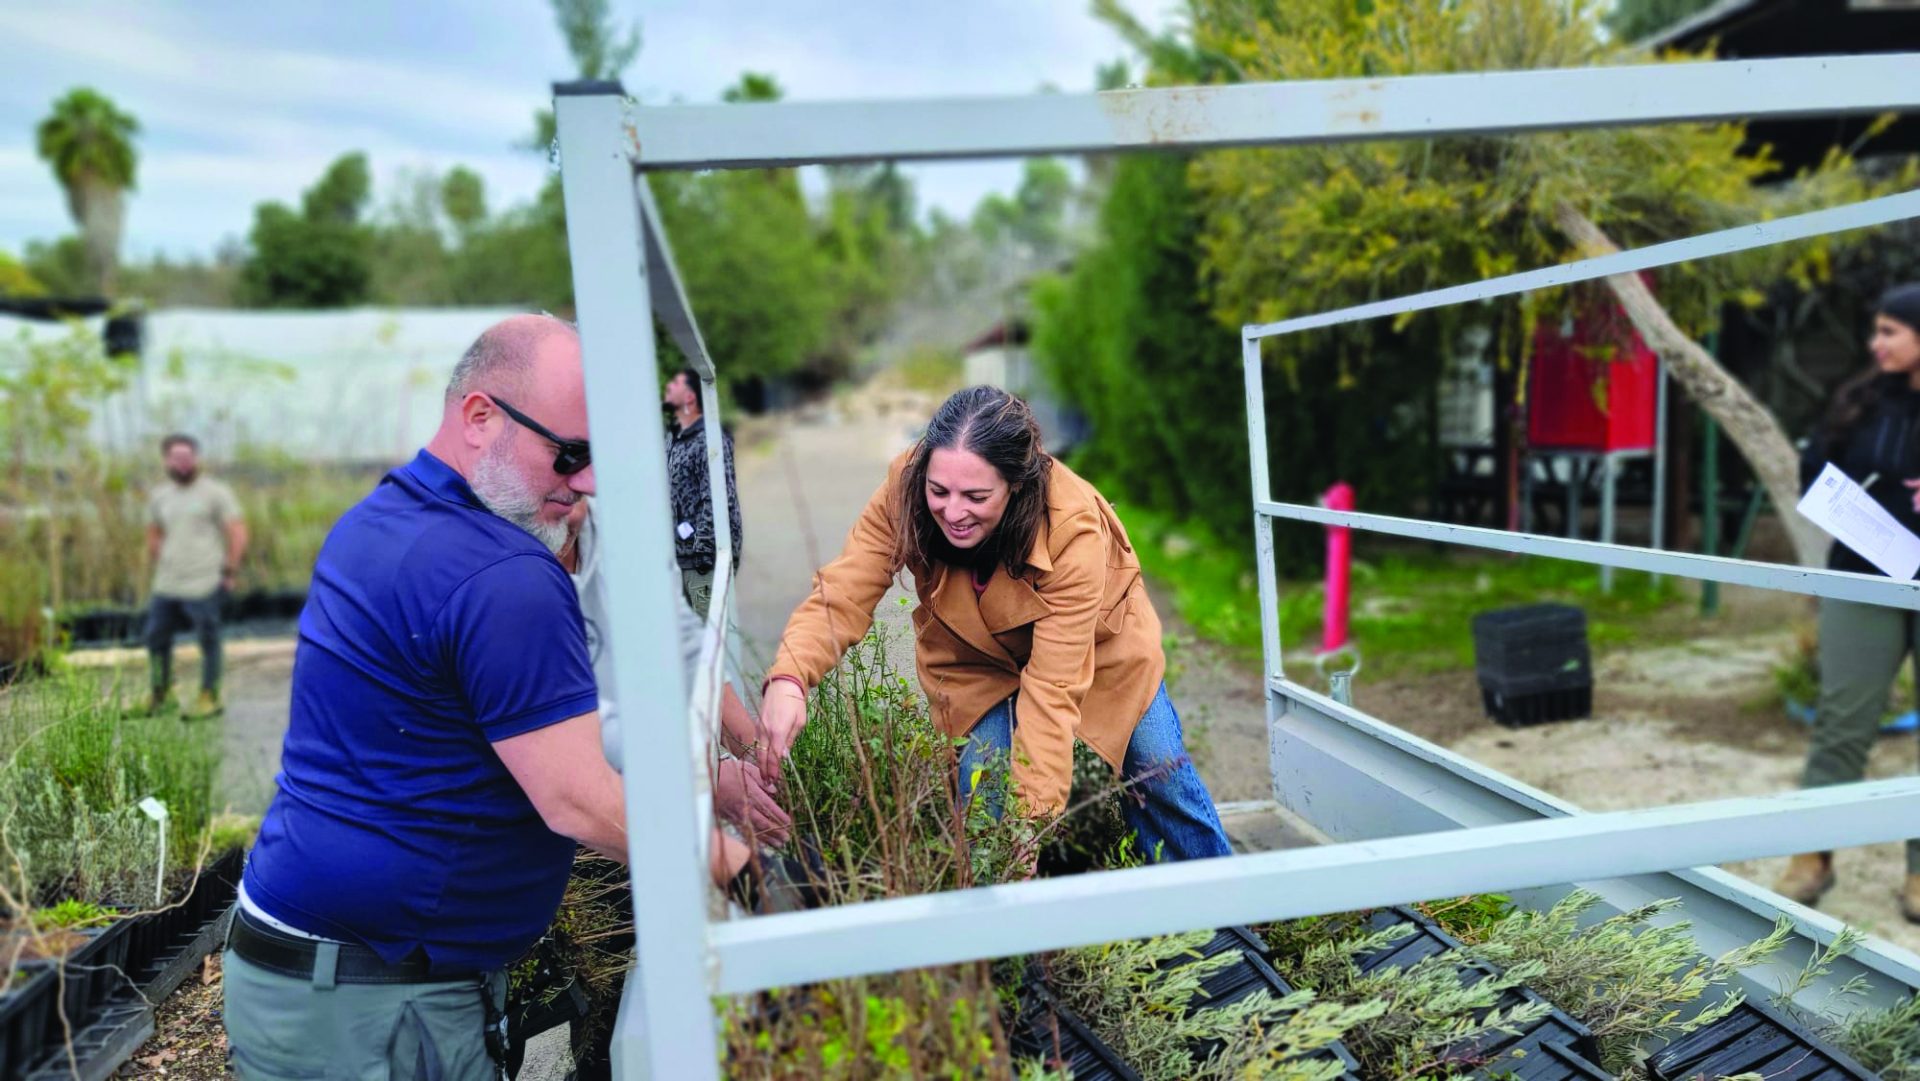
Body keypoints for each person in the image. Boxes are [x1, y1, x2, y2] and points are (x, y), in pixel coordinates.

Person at [224, 315, 630, 1080]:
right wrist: (728, 857)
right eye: (570, 453)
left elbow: (509, 724)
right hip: (372, 1006)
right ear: (480, 416)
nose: (588, 482)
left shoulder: (380, 519)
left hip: (308, 978)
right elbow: (578, 801)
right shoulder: (503, 573)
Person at [757, 386, 1232, 862]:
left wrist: (1028, 829)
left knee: (1156, 763)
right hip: (974, 660)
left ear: (1017, 485)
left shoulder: (1073, 528)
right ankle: (1000, 920)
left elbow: (1051, 691)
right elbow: (844, 590)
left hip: (1099, 649)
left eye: (977, 496)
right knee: (984, 794)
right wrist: (789, 677)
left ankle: (1223, 908)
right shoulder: (904, 489)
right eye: (939, 491)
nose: (953, 511)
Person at [1775, 282, 1920, 925]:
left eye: (1891, 331)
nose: (1876, 344)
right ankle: (1812, 855)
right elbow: (1814, 473)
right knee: (1842, 720)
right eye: (1876, 330)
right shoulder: (1859, 403)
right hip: (1864, 578)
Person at [142, 433, 246, 717]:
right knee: (155, 637)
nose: (183, 463)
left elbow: (236, 531)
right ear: (166, 461)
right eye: (177, 458)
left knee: (208, 638)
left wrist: (230, 569)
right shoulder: (160, 496)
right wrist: (159, 558)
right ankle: (161, 694)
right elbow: (153, 533)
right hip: (167, 582)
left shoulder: (214, 492)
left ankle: (209, 696)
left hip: (204, 581)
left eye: (188, 457)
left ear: (196, 459)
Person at [664, 366, 742, 617]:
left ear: (690, 397)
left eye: (675, 382)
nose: (668, 386)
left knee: (711, 636)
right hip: (676, 560)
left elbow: (718, 500)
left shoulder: (709, 440)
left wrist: (704, 553)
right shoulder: (672, 438)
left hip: (700, 563)